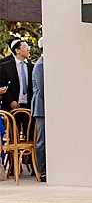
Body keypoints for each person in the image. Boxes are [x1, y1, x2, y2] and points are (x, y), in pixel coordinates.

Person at [31, 38, 46, 181]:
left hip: (44, 108)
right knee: (42, 140)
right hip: (41, 109)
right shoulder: (41, 65)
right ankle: (41, 170)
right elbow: (43, 90)